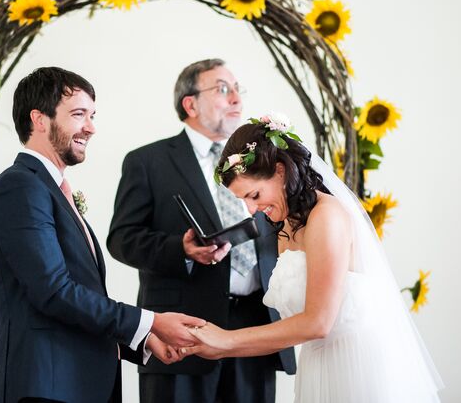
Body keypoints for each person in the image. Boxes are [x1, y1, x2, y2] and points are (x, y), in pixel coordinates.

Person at [0, 67, 204, 403]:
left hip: (78, 383)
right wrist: (150, 322)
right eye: (78, 114)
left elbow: (78, 296)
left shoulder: (48, 188)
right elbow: (54, 292)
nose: (91, 127)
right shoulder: (20, 187)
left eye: (92, 115)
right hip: (49, 388)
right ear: (39, 119)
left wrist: (141, 340)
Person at [183, 114, 444, 402]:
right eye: (244, 200)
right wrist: (214, 343)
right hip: (318, 367)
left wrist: (226, 340)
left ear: (280, 171)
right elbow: (291, 329)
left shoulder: (327, 216)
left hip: (357, 368)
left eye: (254, 194)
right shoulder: (285, 226)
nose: (252, 209)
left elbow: (318, 323)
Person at [107, 59, 296, 403]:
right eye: (224, 89)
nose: (237, 98)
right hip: (182, 334)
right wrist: (180, 249)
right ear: (190, 104)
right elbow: (121, 239)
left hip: (255, 326)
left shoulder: (260, 160)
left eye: (239, 89)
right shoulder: (147, 161)